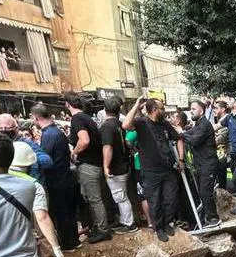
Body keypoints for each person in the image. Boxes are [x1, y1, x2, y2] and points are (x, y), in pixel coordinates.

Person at [123, 97, 182, 242]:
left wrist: (181, 159)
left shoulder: (164, 124)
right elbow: (125, 125)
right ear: (155, 110)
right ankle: (159, 227)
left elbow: (178, 138)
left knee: (171, 199)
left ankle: (167, 223)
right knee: (154, 201)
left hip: (168, 169)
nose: (164, 110)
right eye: (162, 108)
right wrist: (137, 105)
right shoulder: (141, 123)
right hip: (150, 172)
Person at [31, 104, 81, 250]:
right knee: (69, 212)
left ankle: (68, 243)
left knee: (62, 213)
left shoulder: (49, 135)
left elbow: (45, 159)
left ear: (36, 118)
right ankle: (74, 240)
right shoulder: (56, 131)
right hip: (65, 176)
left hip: (57, 180)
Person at [65, 93, 113, 243]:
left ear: (67, 104)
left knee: (95, 199)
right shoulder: (87, 118)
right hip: (96, 163)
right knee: (99, 198)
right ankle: (103, 224)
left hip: (88, 165)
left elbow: (84, 140)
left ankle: (103, 230)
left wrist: (74, 152)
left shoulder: (77, 119)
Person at [100, 96, 139, 232]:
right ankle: (125, 220)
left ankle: (129, 224)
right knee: (123, 196)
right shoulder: (119, 124)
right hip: (124, 164)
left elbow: (107, 147)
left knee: (121, 197)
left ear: (105, 110)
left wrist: (106, 166)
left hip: (116, 167)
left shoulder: (106, 126)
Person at [184, 99, 221, 226]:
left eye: (193, 109)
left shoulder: (204, 124)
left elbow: (194, 140)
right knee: (202, 192)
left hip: (208, 164)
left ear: (201, 111)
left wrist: (181, 134)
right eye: (191, 109)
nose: (191, 111)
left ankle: (213, 218)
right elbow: (189, 133)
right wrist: (180, 132)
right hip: (201, 165)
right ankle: (208, 217)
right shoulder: (198, 125)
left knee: (205, 192)